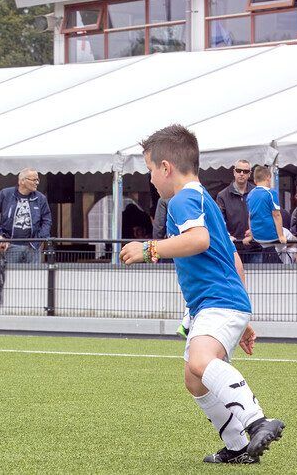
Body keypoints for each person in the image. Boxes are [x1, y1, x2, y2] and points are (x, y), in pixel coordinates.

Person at [120, 124, 284, 464]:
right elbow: (233, 258)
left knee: (199, 363)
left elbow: (199, 241)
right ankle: (238, 447)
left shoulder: (182, 200)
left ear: (166, 168)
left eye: (150, 169)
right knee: (194, 380)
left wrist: (148, 250)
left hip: (217, 303)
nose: (150, 179)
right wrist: (242, 320)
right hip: (221, 304)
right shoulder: (205, 199)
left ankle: (257, 422)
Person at [0, 168, 52, 264]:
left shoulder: (40, 198)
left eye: (38, 180)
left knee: (33, 277)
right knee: (12, 277)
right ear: (22, 181)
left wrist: (39, 239)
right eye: (34, 180)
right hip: (12, 246)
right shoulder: (6, 194)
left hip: (33, 247)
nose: (37, 183)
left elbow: (47, 221)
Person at [216, 160, 259, 263]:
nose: (241, 174)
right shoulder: (222, 195)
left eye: (245, 171)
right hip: (232, 249)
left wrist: (254, 233)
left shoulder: (257, 192)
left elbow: (262, 217)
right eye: (239, 170)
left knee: (257, 279)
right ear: (234, 172)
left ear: (250, 174)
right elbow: (219, 220)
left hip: (255, 248)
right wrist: (226, 235)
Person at [244, 166, 285, 263]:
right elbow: (277, 215)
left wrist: (251, 236)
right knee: (292, 238)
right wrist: (281, 236)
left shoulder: (250, 195)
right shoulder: (271, 193)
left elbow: (250, 216)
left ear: (255, 180)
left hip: (257, 237)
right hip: (271, 236)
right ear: (268, 177)